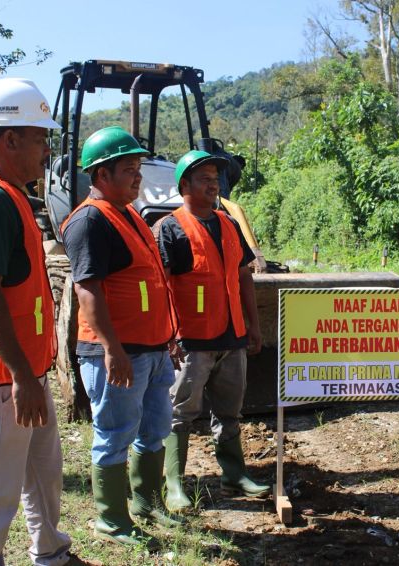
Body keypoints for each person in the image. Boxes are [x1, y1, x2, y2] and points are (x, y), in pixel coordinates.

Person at [0, 78, 90, 565]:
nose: (46, 149)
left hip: (24, 371)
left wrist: (30, 374)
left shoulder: (10, 196)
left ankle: (51, 551)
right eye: (39, 137)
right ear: (10, 140)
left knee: (42, 470)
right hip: (2, 376)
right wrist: (20, 376)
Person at [61, 126, 180, 548]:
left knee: (155, 427)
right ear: (101, 175)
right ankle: (111, 519)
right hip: (116, 352)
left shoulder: (129, 214)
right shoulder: (90, 220)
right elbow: (87, 289)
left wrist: (167, 336)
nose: (138, 178)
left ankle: (147, 502)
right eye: (128, 170)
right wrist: (112, 349)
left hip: (152, 348)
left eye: (137, 169)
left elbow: (149, 282)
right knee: (114, 434)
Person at [156, 150, 269, 513]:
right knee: (180, 413)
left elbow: (243, 276)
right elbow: (162, 287)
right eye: (204, 178)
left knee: (230, 411)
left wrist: (252, 325)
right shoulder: (170, 228)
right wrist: (169, 334)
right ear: (184, 185)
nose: (213, 184)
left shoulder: (229, 223)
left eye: (215, 178)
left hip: (231, 335)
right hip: (191, 340)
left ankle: (234, 475)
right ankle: (175, 484)